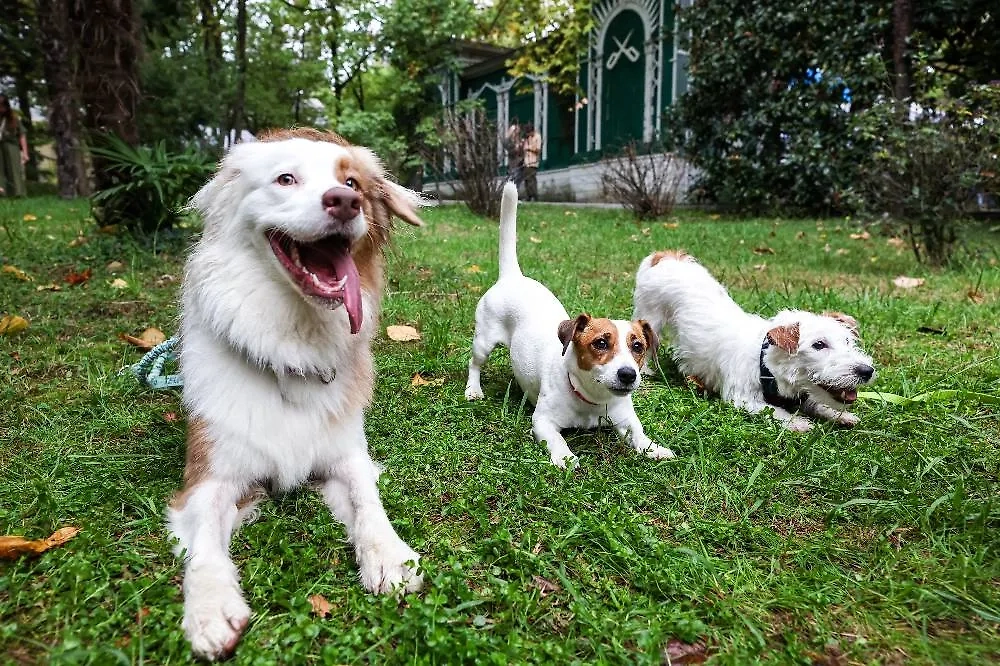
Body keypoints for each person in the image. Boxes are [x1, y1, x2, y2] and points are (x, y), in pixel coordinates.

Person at [0, 93, 28, 198]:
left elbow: (22, 135)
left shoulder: (13, 118)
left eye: (2, 106)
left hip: (11, 146)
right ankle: (2, 194)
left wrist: (25, 153)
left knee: (14, 170)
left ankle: (18, 194)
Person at [521, 123, 541, 201]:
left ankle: (534, 196)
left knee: (531, 179)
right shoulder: (527, 138)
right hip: (526, 161)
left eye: (529, 133)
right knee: (526, 179)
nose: (528, 135)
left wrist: (529, 148)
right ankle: (528, 196)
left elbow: (538, 150)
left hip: (533, 161)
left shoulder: (537, 137)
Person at [504, 118, 523, 185]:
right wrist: (515, 148)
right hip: (513, 162)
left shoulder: (519, 138)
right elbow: (506, 144)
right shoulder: (509, 141)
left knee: (518, 178)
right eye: (514, 131)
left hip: (519, 162)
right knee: (513, 177)